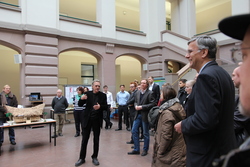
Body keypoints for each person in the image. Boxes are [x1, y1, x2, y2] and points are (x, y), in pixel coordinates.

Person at [174, 35, 237, 167]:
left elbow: (205, 119)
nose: (186, 56)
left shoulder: (206, 76)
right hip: (222, 149)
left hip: (207, 154)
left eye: (190, 51)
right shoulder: (222, 73)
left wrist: (183, 125)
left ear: (204, 52)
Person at [75, 79, 107, 166]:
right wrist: (81, 99)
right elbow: (80, 104)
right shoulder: (87, 94)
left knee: (96, 139)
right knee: (84, 139)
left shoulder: (103, 95)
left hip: (97, 120)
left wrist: (100, 106)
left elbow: (106, 107)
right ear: (92, 86)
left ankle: (95, 157)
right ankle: (82, 158)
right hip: (87, 120)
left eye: (98, 86)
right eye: (96, 86)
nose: (97, 87)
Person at [152, 85, 186, 167]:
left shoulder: (167, 112)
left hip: (169, 151)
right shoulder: (177, 106)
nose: (160, 95)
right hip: (178, 148)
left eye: (161, 93)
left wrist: (160, 151)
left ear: (165, 95)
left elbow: (166, 135)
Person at [128, 79, 155, 156]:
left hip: (145, 115)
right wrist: (136, 105)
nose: (142, 84)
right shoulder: (137, 92)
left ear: (147, 85)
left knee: (145, 133)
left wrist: (142, 107)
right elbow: (135, 101)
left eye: (144, 83)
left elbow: (153, 104)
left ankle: (145, 149)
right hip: (137, 114)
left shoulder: (150, 93)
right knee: (134, 130)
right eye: (141, 83)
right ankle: (136, 149)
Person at [231, 67, 250, 147]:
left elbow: (236, 122)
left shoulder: (246, 97)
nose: (232, 79)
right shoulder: (240, 96)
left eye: (234, 75)